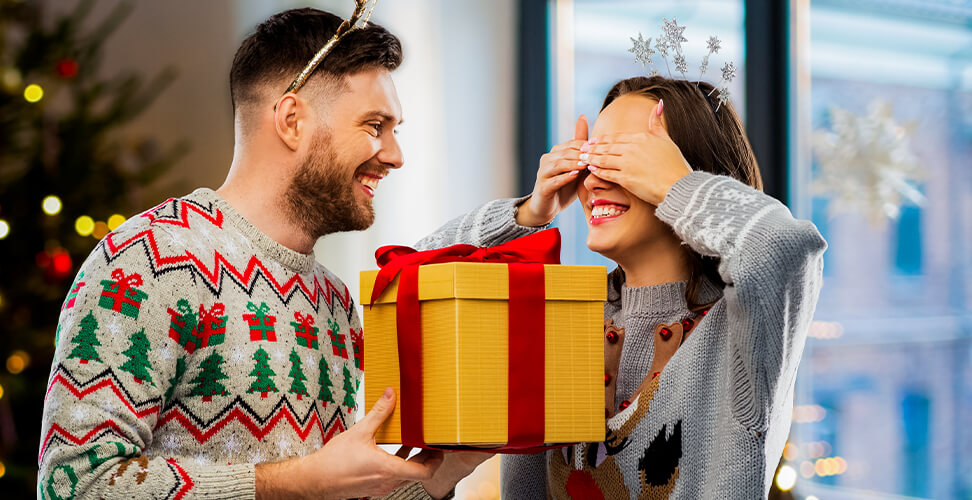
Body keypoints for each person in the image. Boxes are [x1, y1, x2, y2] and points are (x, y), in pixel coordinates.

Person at [37, 8, 567, 499]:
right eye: (374, 126)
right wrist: (298, 481)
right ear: (292, 120)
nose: (395, 155)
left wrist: (445, 470)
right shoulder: (145, 261)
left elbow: (323, 492)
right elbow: (74, 484)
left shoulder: (334, 302)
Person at [501, 76, 827, 498]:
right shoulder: (563, 319)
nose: (593, 181)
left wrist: (677, 185)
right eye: (590, 159)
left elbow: (784, 246)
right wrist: (529, 212)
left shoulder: (740, 332)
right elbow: (419, 273)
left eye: (625, 157)